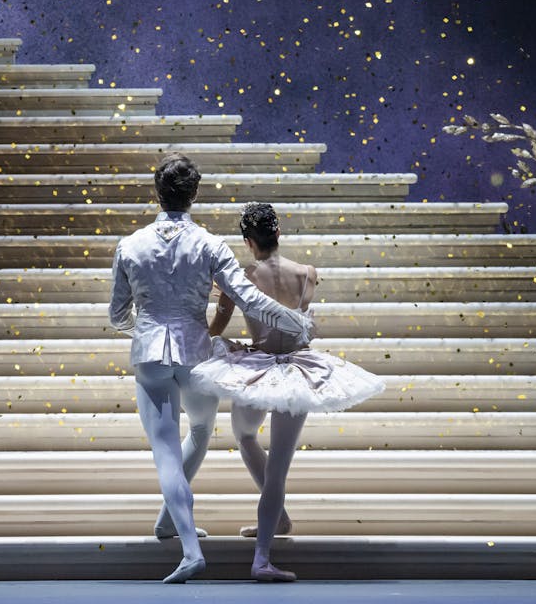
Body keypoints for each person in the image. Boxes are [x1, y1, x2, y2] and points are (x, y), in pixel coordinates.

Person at [108, 155, 315, 584]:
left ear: (157, 193)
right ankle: (169, 521)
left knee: (166, 451)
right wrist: (294, 321)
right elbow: (249, 298)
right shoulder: (209, 244)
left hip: (152, 355)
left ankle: (188, 548)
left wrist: (144, 330)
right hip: (196, 354)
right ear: (194, 194)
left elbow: (117, 314)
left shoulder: (130, 245)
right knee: (200, 432)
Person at [191, 202, 385, 582]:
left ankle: (262, 557)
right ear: (278, 233)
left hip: (259, 368)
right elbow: (301, 327)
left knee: (248, 438)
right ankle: (276, 518)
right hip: (297, 370)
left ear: (249, 242)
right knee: (268, 456)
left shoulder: (241, 276)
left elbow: (218, 326)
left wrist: (204, 324)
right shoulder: (308, 274)